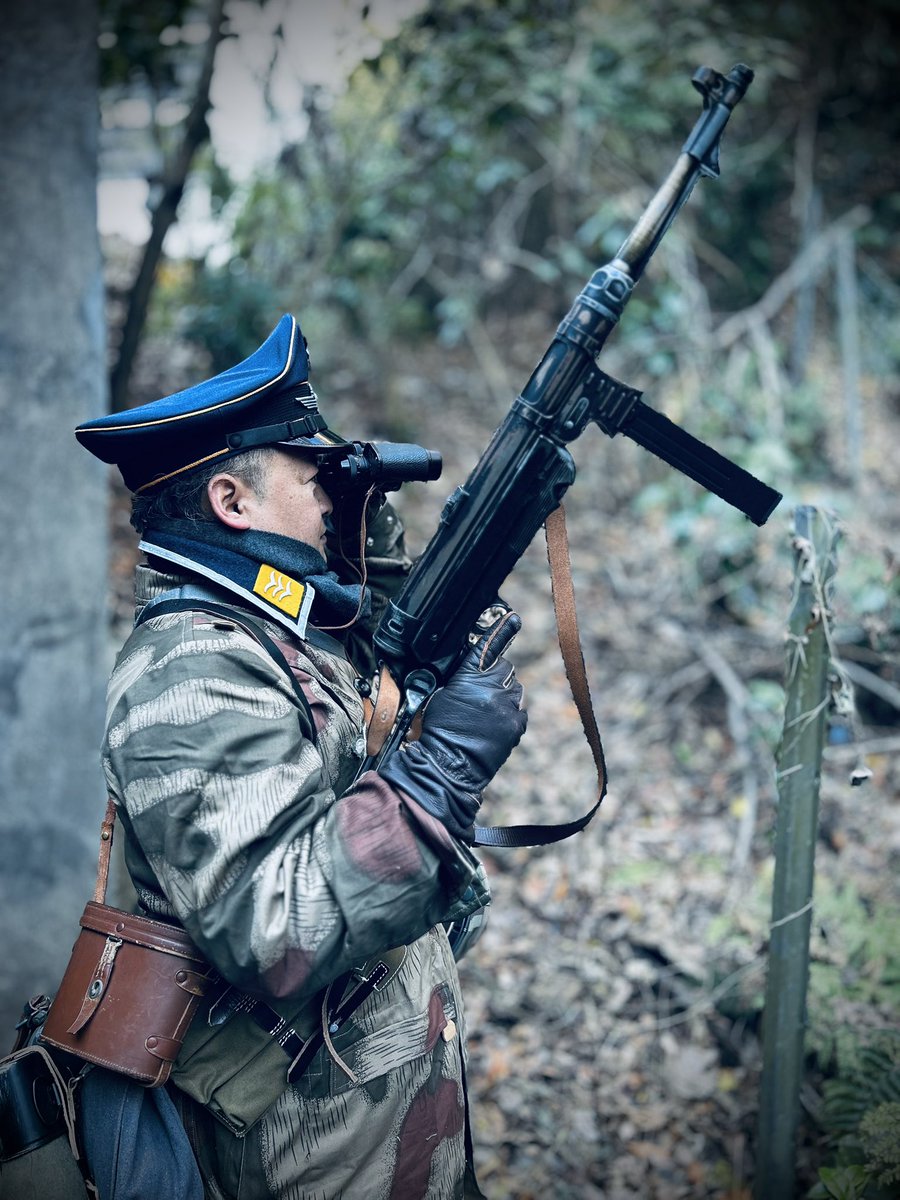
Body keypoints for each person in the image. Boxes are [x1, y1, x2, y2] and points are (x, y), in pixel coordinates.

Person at [73, 313, 527, 1200]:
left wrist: (366, 543)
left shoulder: (275, 632)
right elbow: (274, 926)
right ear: (232, 502)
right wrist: (443, 772)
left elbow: (359, 715)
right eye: (311, 474)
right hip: (309, 1163)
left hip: (385, 1131)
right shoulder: (192, 675)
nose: (330, 489)